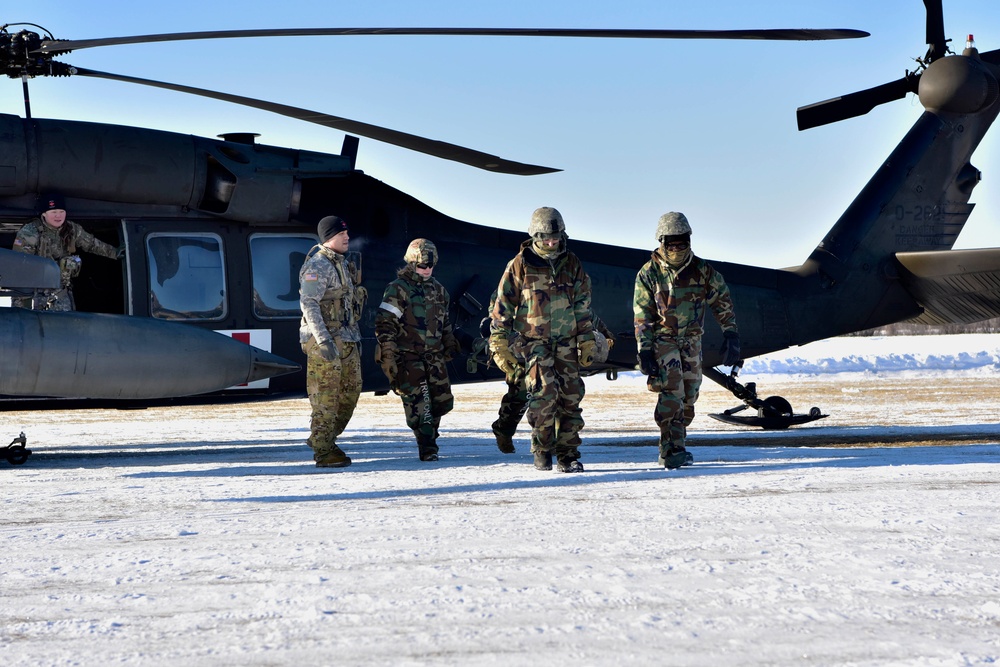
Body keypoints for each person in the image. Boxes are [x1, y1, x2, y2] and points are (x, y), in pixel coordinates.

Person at [491, 207, 597, 473]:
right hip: (532, 341)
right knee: (544, 393)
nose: (551, 243)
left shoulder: (572, 263)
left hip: (566, 342)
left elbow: (583, 306)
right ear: (535, 236)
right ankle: (542, 449)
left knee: (571, 397)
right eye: (546, 238)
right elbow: (503, 306)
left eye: (555, 238)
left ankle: (568, 455)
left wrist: (586, 340)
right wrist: (499, 345)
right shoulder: (520, 264)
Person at [633, 211, 740, 470]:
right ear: (662, 242)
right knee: (672, 393)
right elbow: (642, 315)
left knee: (690, 393)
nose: (677, 249)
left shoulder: (702, 270)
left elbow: (721, 300)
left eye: (682, 243)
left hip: (691, 341)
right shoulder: (649, 274)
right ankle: (672, 450)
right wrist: (645, 350)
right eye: (672, 244)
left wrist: (731, 333)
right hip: (663, 341)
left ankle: (676, 440)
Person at [483, 289, 615, 455]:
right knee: (520, 394)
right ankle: (504, 430)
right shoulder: (514, 282)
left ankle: (550, 443)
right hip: (524, 347)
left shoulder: (562, 282)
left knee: (559, 393)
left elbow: (584, 312)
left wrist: (604, 332)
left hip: (558, 347)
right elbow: (499, 314)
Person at [375, 239, 462, 461]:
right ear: (412, 264)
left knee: (441, 403)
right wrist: (388, 351)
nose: (427, 270)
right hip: (409, 358)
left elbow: (445, 322)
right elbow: (385, 323)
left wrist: (450, 341)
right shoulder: (398, 289)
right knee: (420, 405)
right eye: (422, 266)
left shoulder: (439, 290)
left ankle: (430, 438)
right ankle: (427, 447)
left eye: (430, 266)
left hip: (434, 358)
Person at [299, 215, 367, 468]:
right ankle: (324, 450)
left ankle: (323, 438)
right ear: (329, 238)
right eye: (341, 234)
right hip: (325, 342)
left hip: (347, 339)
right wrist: (323, 339)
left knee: (351, 393)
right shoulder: (318, 266)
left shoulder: (342, 264)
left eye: (347, 233)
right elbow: (309, 303)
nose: (347, 237)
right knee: (326, 398)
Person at [11, 193, 122, 311]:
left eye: (61, 212)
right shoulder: (30, 232)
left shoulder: (71, 229)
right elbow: (20, 266)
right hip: (35, 294)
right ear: (44, 214)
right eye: (53, 212)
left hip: (60, 292)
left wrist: (115, 253)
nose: (58, 216)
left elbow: (91, 244)